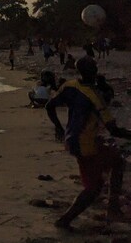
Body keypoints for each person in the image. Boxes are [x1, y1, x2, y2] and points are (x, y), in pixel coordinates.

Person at [45, 56, 131, 229]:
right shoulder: (94, 97)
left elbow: (49, 105)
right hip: (85, 145)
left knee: (116, 161)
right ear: (95, 71)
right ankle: (64, 221)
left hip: (73, 140)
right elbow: (114, 130)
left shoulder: (70, 86)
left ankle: (112, 207)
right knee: (93, 188)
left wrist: (59, 128)